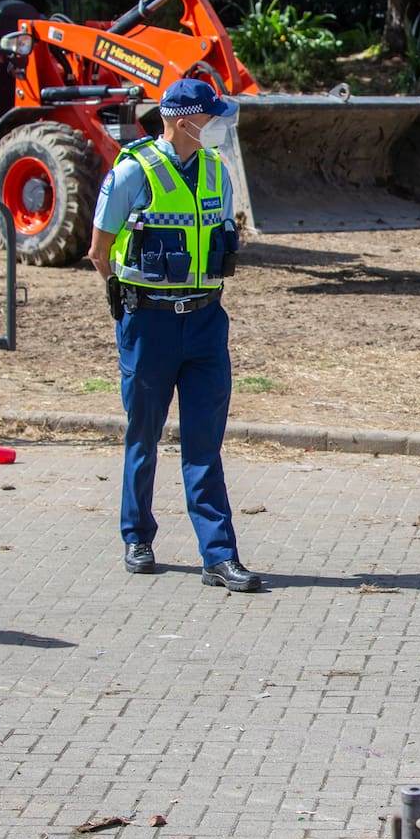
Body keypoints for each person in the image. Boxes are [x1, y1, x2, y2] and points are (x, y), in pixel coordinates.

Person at [88, 78, 259, 592]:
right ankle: (137, 536)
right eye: (212, 115)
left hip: (206, 322)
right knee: (143, 436)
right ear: (186, 120)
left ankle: (219, 556)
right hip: (149, 323)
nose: (220, 123)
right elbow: (99, 252)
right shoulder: (130, 173)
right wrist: (126, 302)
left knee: (204, 444)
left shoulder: (216, 172)